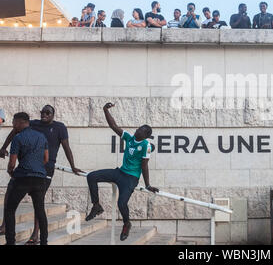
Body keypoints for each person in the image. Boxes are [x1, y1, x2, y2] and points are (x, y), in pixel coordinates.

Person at [0, 105, 83, 244]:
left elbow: (66, 147)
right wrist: (3, 147)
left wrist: (73, 166)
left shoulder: (59, 127)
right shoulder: (32, 125)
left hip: (42, 171)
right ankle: (6, 226)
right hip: (37, 171)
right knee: (17, 199)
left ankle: (34, 235)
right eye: (42, 112)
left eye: (47, 113)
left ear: (53, 114)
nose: (44, 114)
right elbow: (14, 132)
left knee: (37, 206)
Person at [85, 103, 159, 241]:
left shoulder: (146, 146)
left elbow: (144, 166)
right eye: (138, 128)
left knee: (121, 204)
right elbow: (113, 126)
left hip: (131, 178)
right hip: (120, 172)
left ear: (146, 135)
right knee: (91, 176)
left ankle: (127, 223)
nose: (137, 130)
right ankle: (96, 205)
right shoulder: (130, 138)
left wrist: (148, 185)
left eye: (141, 130)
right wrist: (105, 110)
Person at [4, 112, 49, 245]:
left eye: (13, 123)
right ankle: (44, 242)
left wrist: (11, 172)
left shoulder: (18, 138)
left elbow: (12, 163)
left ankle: (10, 241)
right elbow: (46, 159)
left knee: (10, 209)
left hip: (23, 177)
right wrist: (36, 167)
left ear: (19, 122)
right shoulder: (42, 137)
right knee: (40, 211)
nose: (13, 126)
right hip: (40, 178)